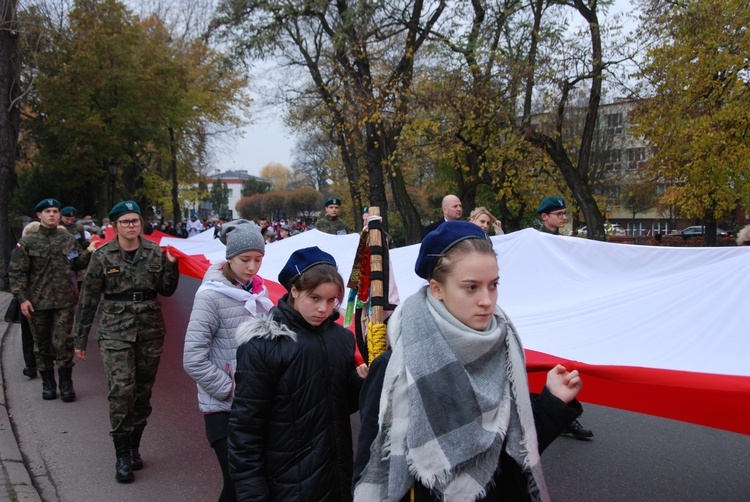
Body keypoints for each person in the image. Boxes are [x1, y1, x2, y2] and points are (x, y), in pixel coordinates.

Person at [354, 221, 584, 501]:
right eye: (471, 287)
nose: (487, 301)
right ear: (437, 288)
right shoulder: (394, 368)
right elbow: (372, 467)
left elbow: (510, 457)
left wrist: (554, 403)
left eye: (493, 285)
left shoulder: (505, 348)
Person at [228, 246, 363, 501]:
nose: (324, 308)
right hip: (286, 482)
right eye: (315, 298)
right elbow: (245, 427)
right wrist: (251, 490)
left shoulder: (342, 340)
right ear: (294, 290)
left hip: (337, 476)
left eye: (332, 300)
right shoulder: (264, 344)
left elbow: (336, 406)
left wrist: (359, 381)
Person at [72, 200, 179, 483]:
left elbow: (166, 290)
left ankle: (134, 447)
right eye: (125, 222)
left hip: (149, 330)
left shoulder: (155, 252)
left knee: (142, 393)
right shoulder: (102, 256)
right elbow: (88, 300)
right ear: (115, 225)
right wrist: (79, 338)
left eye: (135, 221)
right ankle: (121, 454)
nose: (131, 226)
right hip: (114, 330)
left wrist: (172, 266)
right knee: (122, 391)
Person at [184, 220, 272, 502]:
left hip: (256, 403)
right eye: (245, 260)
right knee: (237, 483)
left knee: (256, 480)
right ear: (229, 257)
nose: (252, 267)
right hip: (224, 408)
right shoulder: (210, 297)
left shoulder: (258, 292)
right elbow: (193, 358)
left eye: (258, 260)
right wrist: (232, 389)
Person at [9, 198, 91, 402]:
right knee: (42, 344)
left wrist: (90, 250)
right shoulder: (27, 243)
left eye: (55, 211)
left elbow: (77, 262)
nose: (53, 214)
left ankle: (66, 383)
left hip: (63, 301)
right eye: (48, 211)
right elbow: (17, 273)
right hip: (37, 303)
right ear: (39, 215)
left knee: (63, 342)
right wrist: (22, 299)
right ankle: (48, 383)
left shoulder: (67, 239)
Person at [535, 196, 594, 441]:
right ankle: (554, 413)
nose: (563, 217)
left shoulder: (564, 243)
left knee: (562, 364)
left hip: (560, 311)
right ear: (544, 217)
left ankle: (563, 414)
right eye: (558, 213)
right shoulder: (534, 241)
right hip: (541, 310)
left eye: (564, 213)